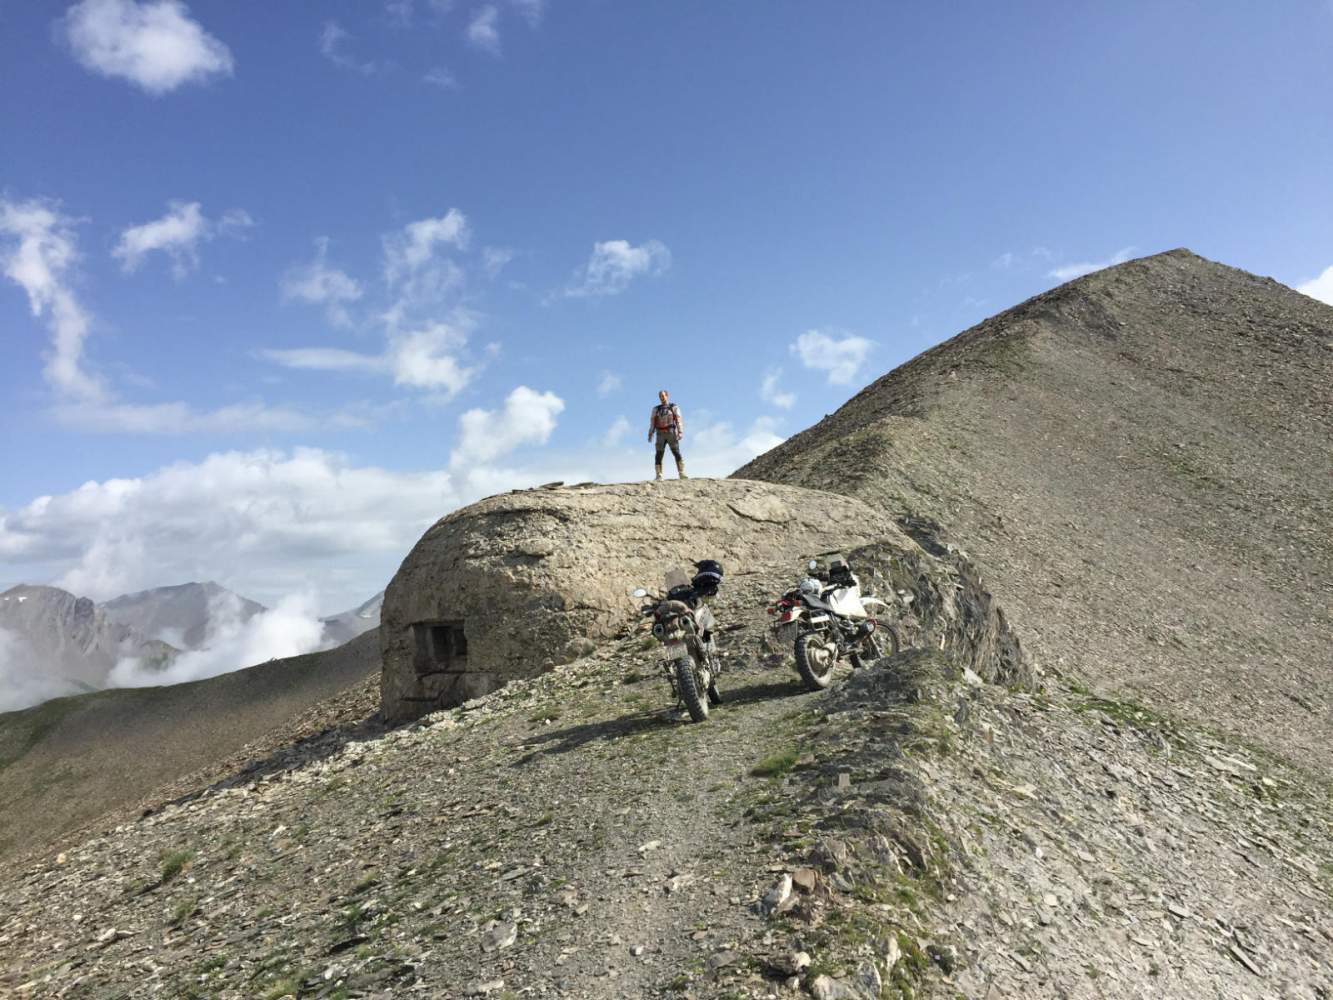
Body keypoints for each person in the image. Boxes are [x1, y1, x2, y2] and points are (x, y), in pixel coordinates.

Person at [647, 389, 686, 480]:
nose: (662, 397)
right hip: (660, 434)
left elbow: (678, 419)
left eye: (663, 395)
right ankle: (658, 475)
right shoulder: (656, 409)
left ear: (667, 396)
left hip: (671, 432)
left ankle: (681, 472)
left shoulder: (673, 407)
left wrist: (680, 432)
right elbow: (652, 422)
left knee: (676, 452)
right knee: (659, 454)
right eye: (660, 396)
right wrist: (650, 433)